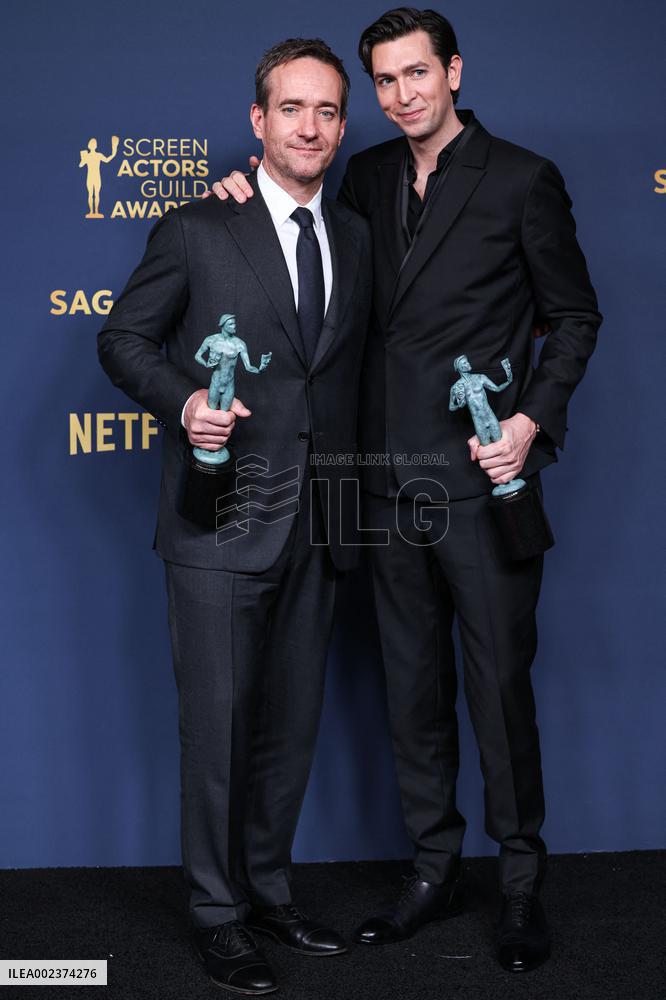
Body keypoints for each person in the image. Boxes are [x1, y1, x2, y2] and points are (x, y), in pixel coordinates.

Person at [212, 6, 601, 974]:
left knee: (497, 690)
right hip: (382, 488)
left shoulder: (522, 179)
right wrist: (238, 197)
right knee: (411, 692)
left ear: (453, 72)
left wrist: (529, 423)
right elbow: (304, 245)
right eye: (384, 81)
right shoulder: (367, 175)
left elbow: (574, 316)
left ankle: (520, 883)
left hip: (480, 481)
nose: (400, 95)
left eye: (416, 74)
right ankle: (434, 870)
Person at [98, 37, 372, 996]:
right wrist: (183, 402)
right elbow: (122, 339)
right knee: (216, 731)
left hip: (323, 520)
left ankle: (268, 894)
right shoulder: (196, 226)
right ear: (258, 121)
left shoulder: (357, 234)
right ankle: (217, 916)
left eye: (327, 110)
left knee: (290, 731)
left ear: (343, 125)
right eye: (292, 108)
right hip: (218, 520)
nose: (310, 127)